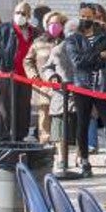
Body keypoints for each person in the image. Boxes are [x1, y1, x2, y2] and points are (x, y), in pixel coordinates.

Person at [66, 3, 106, 177]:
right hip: (82, 85)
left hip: (103, 84)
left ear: (94, 16)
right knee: (82, 124)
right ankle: (84, 162)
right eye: (82, 15)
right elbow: (77, 61)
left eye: (88, 16)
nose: (85, 19)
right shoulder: (73, 38)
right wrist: (99, 56)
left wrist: (103, 58)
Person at [0, 2, 38, 140]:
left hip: (26, 76)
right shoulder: (3, 30)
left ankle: (20, 136)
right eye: (17, 12)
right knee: (6, 108)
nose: (20, 15)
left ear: (29, 15)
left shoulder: (34, 32)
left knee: (23, 107)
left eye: (23, 13)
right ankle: (5, 136)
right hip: (8, 74)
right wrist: (0, 66)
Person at [43, 16, 77, 167]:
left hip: (80, 95)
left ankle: (80, 159)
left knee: (79, 129)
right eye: (70, 31)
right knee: (59, 131)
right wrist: (53, 77)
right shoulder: (57, 49)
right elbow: (47, 68)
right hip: (60, 95)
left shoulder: (85, 48)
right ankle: (62, 159)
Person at [25, 11, 64, 142]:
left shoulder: (67, 42)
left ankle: (59, 143)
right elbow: (28, 61)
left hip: (62, 88)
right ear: (46, 25)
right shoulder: (38, 42)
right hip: (43, 86)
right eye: (51, 23)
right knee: (44, 115)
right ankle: (45, 141)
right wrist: (34, 76)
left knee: (59, 117)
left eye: (58, 23)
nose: (54, 26)